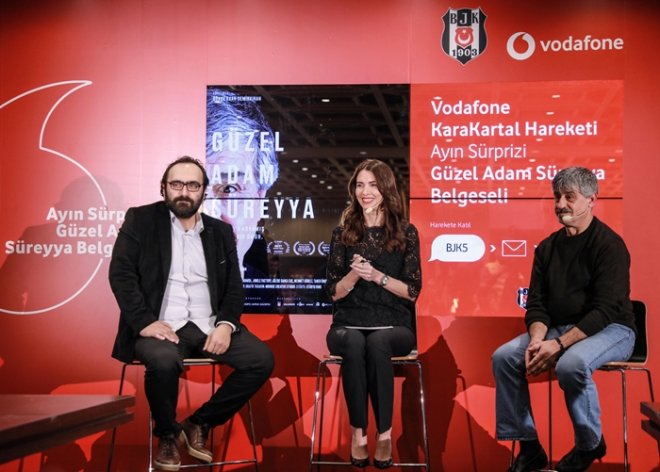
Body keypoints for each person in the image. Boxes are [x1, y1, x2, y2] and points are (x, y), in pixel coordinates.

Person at [109, 156, 274, 471]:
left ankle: (199, 423)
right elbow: (121, 275)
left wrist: (225, 325)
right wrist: (144, 322)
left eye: (193, 185)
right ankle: (167, 435)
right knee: (163, 361)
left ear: (204, 191)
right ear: (164, 188)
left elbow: (234, 288)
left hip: (208, 326)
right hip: (160, 326)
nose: (184, 192)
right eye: (177, 184)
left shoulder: (220, 231)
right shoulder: (140, 220)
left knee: (261, 359)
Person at [491, 166, 636, 472]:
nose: (560, 204)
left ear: (591, 199)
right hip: (559, 328)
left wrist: (558, 345)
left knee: (572, 364)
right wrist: (537, 341)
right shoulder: (547, 248)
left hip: (613, 329)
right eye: (557, 196)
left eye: (570, 197)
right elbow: (537, 305)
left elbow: (605, 310)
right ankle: (529, 447)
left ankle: (589, 443)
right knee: (504, 357)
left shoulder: (610, 245)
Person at [324, 159, 422, 469]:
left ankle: (384, 434)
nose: (365, 192)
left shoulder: (406, 232)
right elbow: (332, 293)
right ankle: (358, 433)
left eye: (373, 185)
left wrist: (378, 276)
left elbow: (412, 291)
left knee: (378, 342)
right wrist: (354, 275)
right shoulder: (343, 233)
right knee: (355, 343)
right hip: (347, 325)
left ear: (386, 189)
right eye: (360, 185)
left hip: (394, 326)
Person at [204, 88, 280, 279]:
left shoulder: (264, 292)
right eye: (192, 189)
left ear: (260, 197)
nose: (209, 213)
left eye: (230, 188)